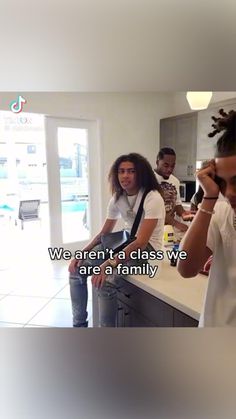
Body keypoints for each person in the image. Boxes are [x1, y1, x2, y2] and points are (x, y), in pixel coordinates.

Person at [69, 153, 165, 327]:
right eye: (121, 171)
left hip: (148, 250)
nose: (125, 176)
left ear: (140, 174)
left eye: (131, 171)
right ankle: (79, 325)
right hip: (125, 242)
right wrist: (81, 253)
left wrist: (107, 264)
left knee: (106, 279)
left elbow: (141, 242)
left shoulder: (153, 197)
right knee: (77, 271)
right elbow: (103, 234)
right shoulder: (117, 198)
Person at [178, 108, 236, 326]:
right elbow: (186, 268)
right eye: (223, 182)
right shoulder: (222, 214)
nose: (229, 193)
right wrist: (210, 196)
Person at [154, 147, 193, 233]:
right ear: (157, 162)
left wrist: (183, 213)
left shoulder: (175, 181)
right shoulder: (149, 180)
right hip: (152, 230)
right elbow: (154, 209)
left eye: (173, 166)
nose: (170, 169)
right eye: (166, 165)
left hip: (168, 230)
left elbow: (177, 203)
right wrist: (175, 223)